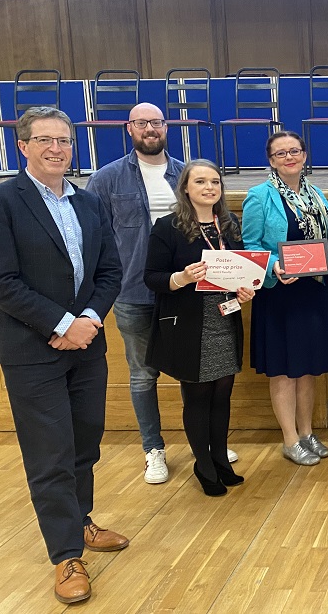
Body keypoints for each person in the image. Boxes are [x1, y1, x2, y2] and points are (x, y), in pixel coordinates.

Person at [0, 107, 127, 604]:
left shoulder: (89, 204)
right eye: (44, 140)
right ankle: (66, 555)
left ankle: (81, 520)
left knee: (85, 441)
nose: (56, 148)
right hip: (30, 349)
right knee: (50, 454)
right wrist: (63, 324)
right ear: (22, 146)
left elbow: (111, 271)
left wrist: (86, 322)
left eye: (64, 140)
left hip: (87, 346)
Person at [87, 102, 238, 484]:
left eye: (156, 122)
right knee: (143, 375)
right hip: (135, 292)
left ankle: (202, 448)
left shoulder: (184, 172)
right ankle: (153, 449)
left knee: (202, 376)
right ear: (129, 128)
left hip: (202, 303)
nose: (150, 128)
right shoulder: (107, 178)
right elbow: (96, 236)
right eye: (142, 123)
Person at [143, 160, 254, 496]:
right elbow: (152, 278)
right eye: (201, 182)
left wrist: (244, 289)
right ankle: (202, 465)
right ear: (186, 188)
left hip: (224, 318)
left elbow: (240, 268)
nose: (209, 188)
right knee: (197, 396)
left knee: (222, 395)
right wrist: (182, 277)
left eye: (215, 182)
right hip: (189, 325)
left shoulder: (229, 223)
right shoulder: (167, 227)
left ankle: (220, 459)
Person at [242, 131, 328, 466]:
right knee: (285, 370)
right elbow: (251, 246)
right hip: (281, 293)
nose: (289, 157)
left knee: (309, 368)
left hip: (314, 292)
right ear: (271, 160)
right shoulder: (259, 197)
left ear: (304, 155)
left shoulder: (317, 195)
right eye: (281, 153)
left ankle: (307, 431)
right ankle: (289, 439)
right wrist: (274, 266)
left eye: (294, 151)